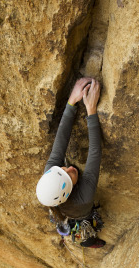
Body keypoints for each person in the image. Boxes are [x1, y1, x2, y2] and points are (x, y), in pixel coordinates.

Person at [36, 77, 105, 248]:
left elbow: (60, 143)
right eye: (69, 175)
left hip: (62, 209)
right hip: (82, 211)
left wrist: (72, 102)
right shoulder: (84, 197)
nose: (70, 168)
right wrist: (91, 110)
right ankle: (90, 241)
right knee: (87, 229)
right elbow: (95, 152)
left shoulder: (51, 175)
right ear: (69, 191)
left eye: (63, 169)